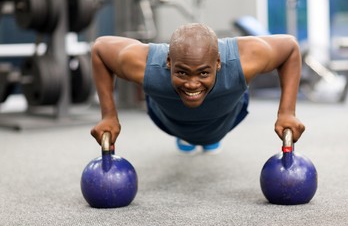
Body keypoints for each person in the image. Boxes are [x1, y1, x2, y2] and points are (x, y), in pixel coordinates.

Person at [90, 23, 305, 154]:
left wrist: (287, 113)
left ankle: (210, 137)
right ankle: (189, 136)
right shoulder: (146, 65)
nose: (192, 84)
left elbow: (290, 47)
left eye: (203, 73)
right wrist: (108, 115)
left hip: (227, 116)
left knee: (211, 122)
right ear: (168, 62)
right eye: (182, 72)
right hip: (169, 119)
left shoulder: (243, 60)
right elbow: (100, 48)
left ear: (218, 63)